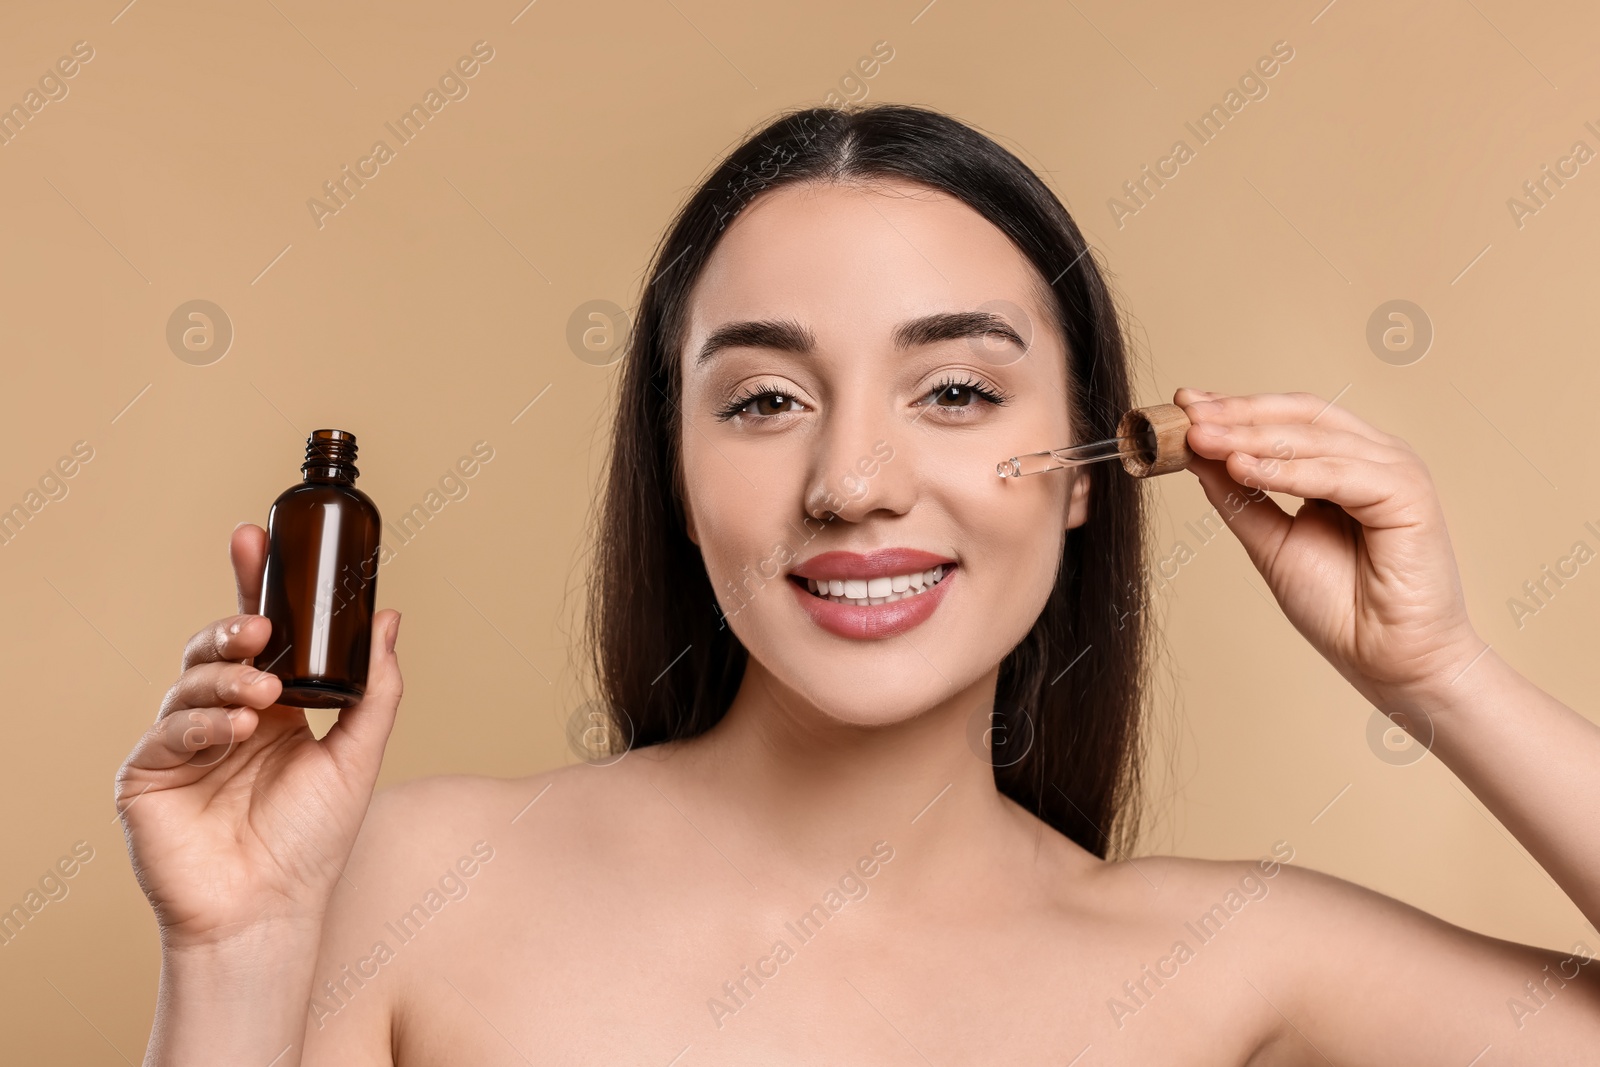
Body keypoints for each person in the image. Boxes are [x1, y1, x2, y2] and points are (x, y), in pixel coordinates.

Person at [118, 104, 1600, 1064]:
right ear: (677, 477)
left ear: (1086, 470)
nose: (853, 482)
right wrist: (237, 956)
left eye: (956, 392)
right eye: (764, 402)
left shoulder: (1231, 968)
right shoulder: (411, 881)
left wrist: (1438, 678)